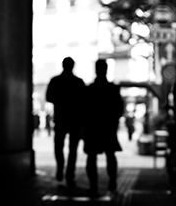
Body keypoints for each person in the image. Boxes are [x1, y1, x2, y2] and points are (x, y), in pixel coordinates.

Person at [82, 59, 124, 196]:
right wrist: (114, 121)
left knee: (91, 156)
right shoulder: (112, 89)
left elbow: (84, 110)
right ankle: (112, 182)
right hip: (108, 126)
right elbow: (119, 109)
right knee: (110, 155)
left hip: (93, 127)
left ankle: (93, 185)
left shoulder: (89, 90)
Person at [45, 57, 85, 187]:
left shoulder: (56, 81)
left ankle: (60, 169)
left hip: (61, 118)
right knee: (73, 149)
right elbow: (83, 102)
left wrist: (61, 100)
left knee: (58, 147)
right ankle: (69, 174)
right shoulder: (78, 82)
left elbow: (49, 97)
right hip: (74, 120)